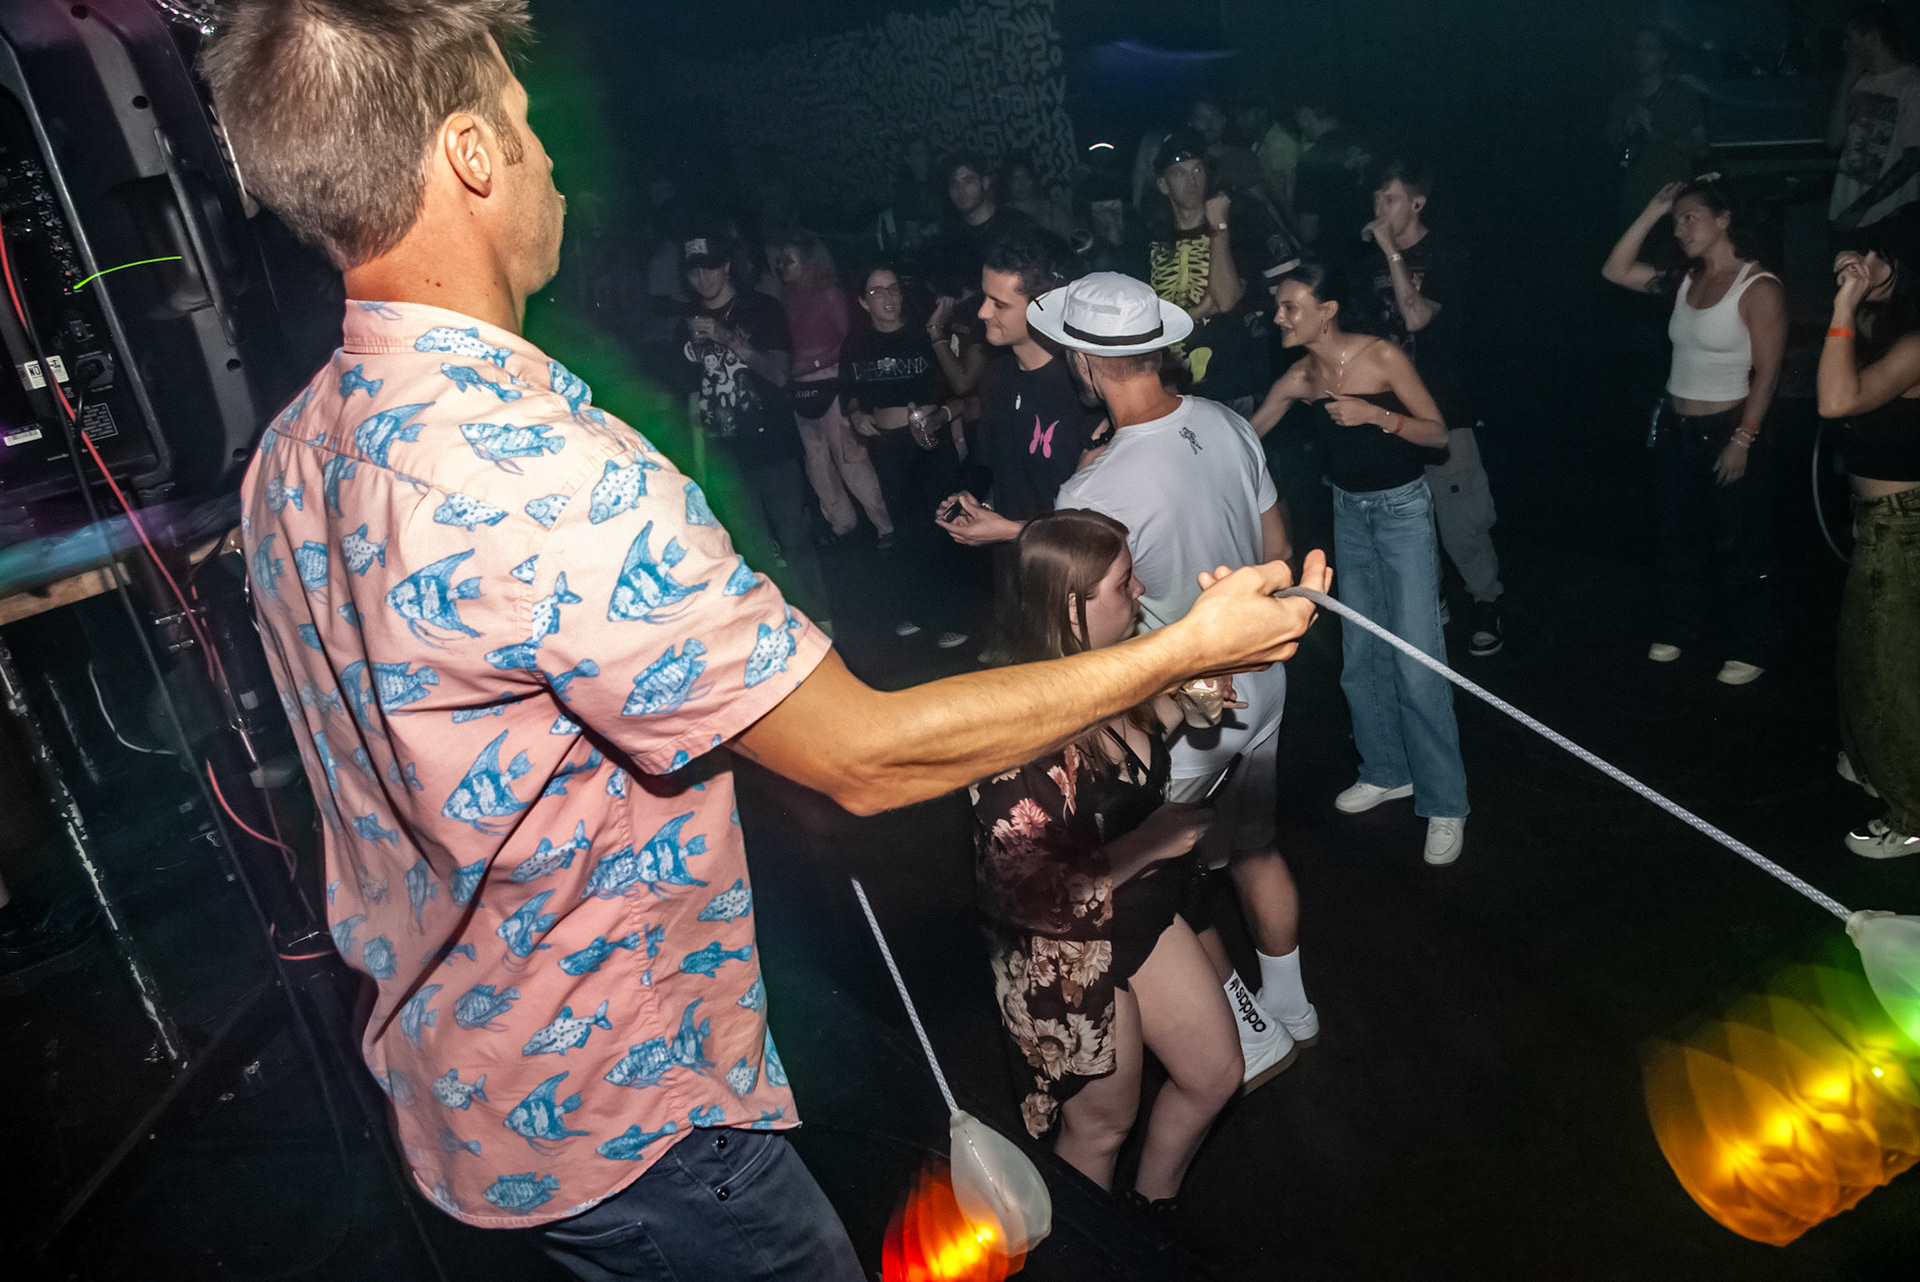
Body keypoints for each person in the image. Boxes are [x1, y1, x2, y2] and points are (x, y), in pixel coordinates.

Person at [204, 4, 1330, 1276]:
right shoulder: (544, 480)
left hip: (465, 1097)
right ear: (468, 155)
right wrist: (1183, 649)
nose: (551, 160)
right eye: (524, 126)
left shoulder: (289, 453)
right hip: (638, 1119)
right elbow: (866, 756)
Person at [1036, 272, 1318, 1074]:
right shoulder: (1228, 423)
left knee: (1157, 881)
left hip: (1186, 713)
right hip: (1263, 680)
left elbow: (1089, 635)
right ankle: (1294, 1008)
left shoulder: (1093, 490)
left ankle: (1251, 1038)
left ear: (1085, 362)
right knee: (1254, 848)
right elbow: (1277, 549)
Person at [976, 509, 1264, 1211]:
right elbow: (1030, 893)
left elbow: (1148, 723)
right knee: (1102, 1129)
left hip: (1138, 914)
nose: (1140, 590)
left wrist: (1201, 683)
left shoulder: (1111, 669)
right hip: (1066, 953)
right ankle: (1091, 1252)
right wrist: (1153, 841)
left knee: (1214, 1073)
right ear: (1070, 608)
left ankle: (1147, 1218)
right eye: (1123, 582)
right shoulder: (1014, 727)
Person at [1251, 259, 1469, 865]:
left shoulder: (1381, 357)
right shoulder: (1301, 376)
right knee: (1361, 655)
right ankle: (1386, 770)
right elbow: (1248, 432)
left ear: (1326, 312)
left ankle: (1445, 800)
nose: (1278, 317)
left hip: (1402, 512)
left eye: (1290, 307)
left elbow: (1437, 433)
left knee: (1416, 663)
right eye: (1278, 306)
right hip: (1349, 513)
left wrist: (1377, 416)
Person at [1602, 178, 1785, 684]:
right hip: (1676, 426)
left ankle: (1749, 645)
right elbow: (1614, 270)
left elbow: (1768, 374)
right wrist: (1652, 210)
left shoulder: (1759, 286)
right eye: (1676, 220)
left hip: (1727, 428)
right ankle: (1679, 628)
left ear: (1723, 219)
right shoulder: (1684, 279)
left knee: (1738, 541)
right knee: (1676, 535)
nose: (1679, 229)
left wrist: (1743, 439)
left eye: (1690, 217)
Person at [1364, 160, 1505, 657]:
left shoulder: (1447, 252)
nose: (1379, 209)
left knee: (1461, 516)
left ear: (1417, 203)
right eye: (1376, 199)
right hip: (1388, 409)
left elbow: (1417, 316)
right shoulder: (1365, 260)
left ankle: (1486, 600)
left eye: (1390, 199)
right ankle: (1430, 600)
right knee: (1405, 514)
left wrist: (1391, 253)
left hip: (1444, 406)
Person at [1815, 232, 1920, 859]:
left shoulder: (1915, 344)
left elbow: (1836, 401)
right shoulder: (1884, 329)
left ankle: (1914, 813)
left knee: (1890, 669)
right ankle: (1876, 760)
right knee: (1865, 655)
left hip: (1903, 523)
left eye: (1880, 255)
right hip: (1880, 520)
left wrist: (1843, 304)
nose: (1864, 263)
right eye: (1860, 251)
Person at [678, 229, 834, 629]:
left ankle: (821, 626)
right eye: (694, 271)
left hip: (773, 447)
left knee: (795, 540)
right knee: (750, 551)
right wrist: (699, 469)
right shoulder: (687, 325)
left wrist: (728, 339)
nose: (702, 278)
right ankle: (776, 631)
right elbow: (694, 399)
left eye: (710, 267)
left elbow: (781, 374)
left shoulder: (762, 309)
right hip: (726, 457)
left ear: (726, 266)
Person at [937, 226, 1107, 550]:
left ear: (1044, 307)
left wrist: (1007, 530)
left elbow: (1095, 524)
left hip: (1068, 567)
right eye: (985, 297)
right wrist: (980, 510)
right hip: (1013, 565)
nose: (982, 312)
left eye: (999, 304)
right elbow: (1007, 480)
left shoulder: (1086, 392)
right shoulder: (998, 376)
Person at [843, 264, 972, 648]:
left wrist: (947, 423)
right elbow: (850, 392)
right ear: (862, 302)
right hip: (889, 445)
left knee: (946, 522)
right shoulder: (857, 344)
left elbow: (961, 392)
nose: (887, 297)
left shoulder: (923, 336)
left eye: (893, 288)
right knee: (907, 527)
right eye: (876, 291)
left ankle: (956, 616)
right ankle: (919, 609)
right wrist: (856, 414)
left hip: (931, 440)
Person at [772, 232, 894, 547]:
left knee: (850, 457)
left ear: (809, 261)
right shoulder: (786, 297)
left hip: (832, 381)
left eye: (789, 260)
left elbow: (849, 341)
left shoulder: (829, 294)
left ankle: (885, 526)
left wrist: (813, 363)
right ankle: (842, 524)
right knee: (817, 463)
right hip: (800, 390)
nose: (781, 266)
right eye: (780, 260)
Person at [1144, 131, 1267, 413]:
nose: (1192, 181)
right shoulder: (1149, 241)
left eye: (1198, 170)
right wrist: (1199, 310)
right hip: (1171, 388)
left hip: (1230, 382)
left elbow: (1226, 299)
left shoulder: (1237, 226)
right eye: (1180, 173)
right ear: (1163, 184)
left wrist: (1218, 227)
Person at [1828, 4, 1920, 234]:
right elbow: (1833, 141)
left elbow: (1912, 160)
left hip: (1889, 220)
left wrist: (1859, 209)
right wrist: (1846, 82)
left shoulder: (1912, 85)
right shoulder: (1859, 82)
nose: (1844, 46)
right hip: (1844, 212)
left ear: (1871, 37)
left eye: (1850, 37)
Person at [1607, 26, 1709, 224]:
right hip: (1632, 203)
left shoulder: (1681, 97)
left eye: (1649, 49)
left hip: (1673, 201)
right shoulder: (1623, 100)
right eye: (1637, 48)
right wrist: (1626, 131)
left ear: (1663, 55)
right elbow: (1610, 147)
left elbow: (1701, 147)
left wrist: (1654, 129)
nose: (1641, 54)